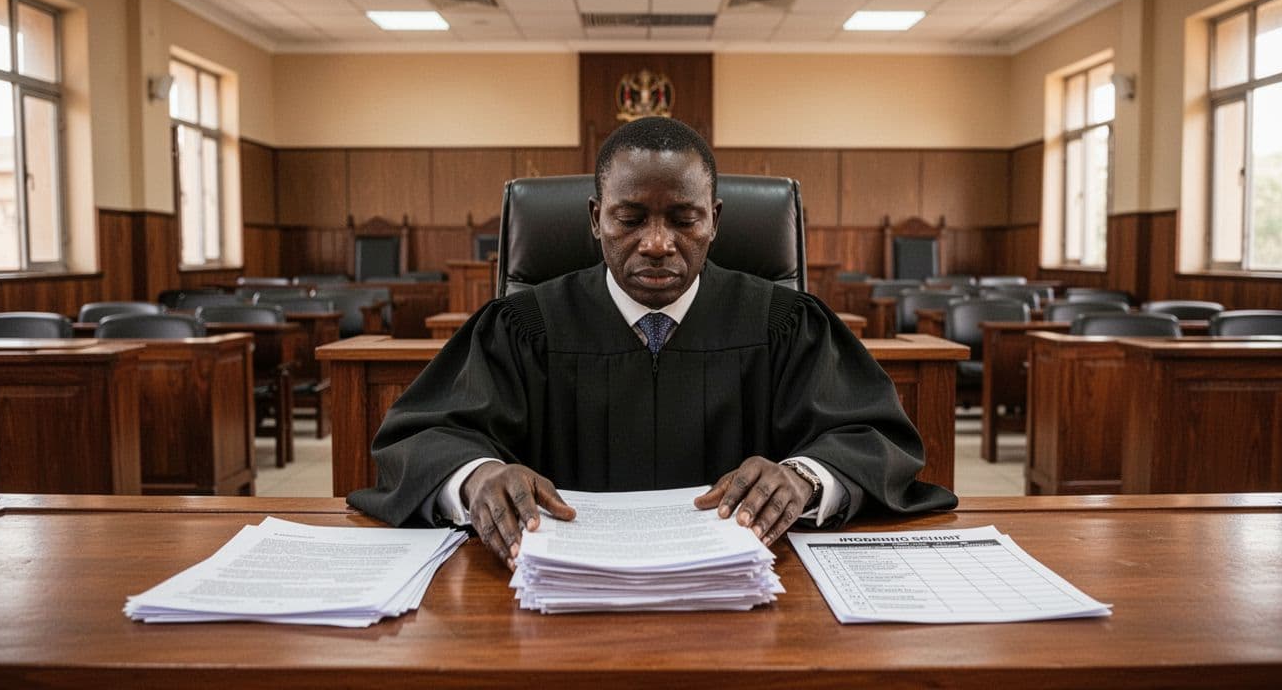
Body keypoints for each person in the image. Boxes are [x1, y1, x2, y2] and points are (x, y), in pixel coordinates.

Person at [349, 117, 956, 567]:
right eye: (630, 218)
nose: (658, 243)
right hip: (552, 594)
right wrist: (478, 477)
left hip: (755, 597)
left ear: (715, 218)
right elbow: (421, 437)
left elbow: (873, 438)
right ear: (595, 218)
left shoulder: (785, 323)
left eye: (684, 219)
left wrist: (805, 477)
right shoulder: (523, 325)